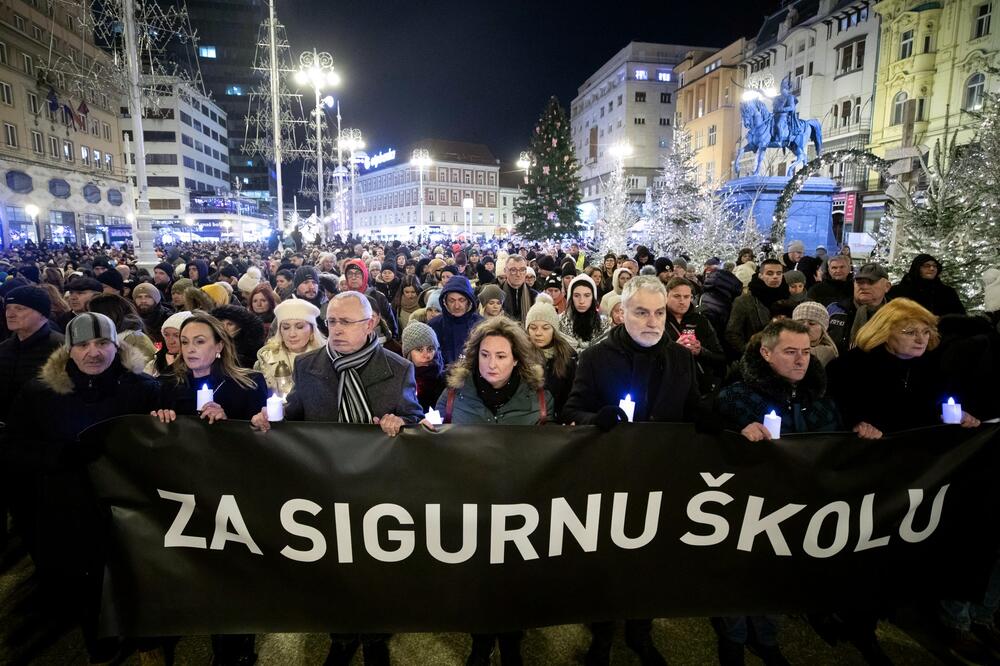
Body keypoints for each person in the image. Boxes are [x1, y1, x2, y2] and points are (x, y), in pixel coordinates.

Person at [250, 292, 422, 666]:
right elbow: (294, 411)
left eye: (346, 322)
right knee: (335, 568)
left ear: (370, 324)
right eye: (332, 322)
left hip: (377, 489)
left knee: (376, 568)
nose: (337, 330)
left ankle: (376, 636)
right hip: (324, 486)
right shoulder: (309, 365)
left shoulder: (398, 368)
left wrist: (402, 422)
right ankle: (342, 635)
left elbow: (414, 417)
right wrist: (271, 418)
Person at [5, 313, 161, 663]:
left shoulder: (142, 388)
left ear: (116, 345)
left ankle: (143, 636)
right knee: (85, 581)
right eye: (83, 344)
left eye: (103, 343)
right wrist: (62, 456)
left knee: (135, 573)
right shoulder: (40, 394)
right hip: (69, 506)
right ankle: (100, 641)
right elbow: (15, 447)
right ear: (69, 349)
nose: (94, 352)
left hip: (129, 505)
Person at [563, 276, 699, 666]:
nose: (653, 321)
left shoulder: (680, 358)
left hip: (659, 477)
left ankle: (641, 630)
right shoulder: (595, 357)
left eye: (659, 312)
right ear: (622, 313)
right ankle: (602, 632)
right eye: (642, 312)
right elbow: (572, 411)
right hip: (610, 478)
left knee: (650, 560)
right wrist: (598, 418)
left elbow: (692, 408)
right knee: (607, 559)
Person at [712, 319, 846, 666]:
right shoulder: (737, 395)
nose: (801, 360)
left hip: (797, 503)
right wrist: (734, 430)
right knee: (739, 571)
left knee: (779, 573)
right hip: (747, 506)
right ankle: (734, 636)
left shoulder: (818, 397)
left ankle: (766, 636)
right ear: (766, 353)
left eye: (805, 352)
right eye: (790, 352)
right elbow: (708, 429)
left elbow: (832, 444)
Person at [434, 316, 552, 666]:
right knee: (476, 582)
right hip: (470, 507)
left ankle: (512, 642)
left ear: (516, 358)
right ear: (475, 356)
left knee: (516, 582)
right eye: (485, 355)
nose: (492, 363)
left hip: (520, 509)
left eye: (501, 356)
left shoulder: (540, 398)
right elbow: (435, 436)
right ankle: (481, 641)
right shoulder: (453, 394)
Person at [828, 297, 980, 437]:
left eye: (926, 332)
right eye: (910, 332)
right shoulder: (850, 366)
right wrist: (855, 424)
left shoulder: (933, 365)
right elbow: (837, 414)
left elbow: (939, 406)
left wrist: (959, 416)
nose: (921, 340)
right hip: (871, 456)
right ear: (884, 332)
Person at [663, 278, 725, 394]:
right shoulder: (658, 320)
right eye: (677, 296)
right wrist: (674, 349)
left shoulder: (701, 321)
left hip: (699, 386)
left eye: (687, 297)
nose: (682, 301)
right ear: (666, 296)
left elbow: (720, 357)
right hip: (668, 385)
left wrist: (700, 351)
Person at [254, 299, 325, 393]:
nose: (292, 334)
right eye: (286, 327)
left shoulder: (326, 358)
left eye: (299, 327)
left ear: (312, 330)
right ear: (280, 331)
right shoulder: (265, 359)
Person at [525, 297, 577, 422]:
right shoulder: (519, 356)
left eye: (545, 328)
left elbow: (572, 396)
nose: (538, 333)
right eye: (533, 327)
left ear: (554, 330)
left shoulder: (567, 358)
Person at [726, 260, 788, 359]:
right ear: (760, 275)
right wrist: (751, 354)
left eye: (779, 273)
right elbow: (733, 333)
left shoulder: (788, 297)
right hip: (757, 357)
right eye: (770, 273)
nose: (775, 276)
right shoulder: (744, 301)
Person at [827, 263, 891, 355]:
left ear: (887, 286)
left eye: (871, 282)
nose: (864, 286)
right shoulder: (834, 310)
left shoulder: (896, 315)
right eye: (859, 282)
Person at [887, 253, 966, 316]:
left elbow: (960, 318)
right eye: (927, 266)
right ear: (917, 268)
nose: (932, 269)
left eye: (934, 266)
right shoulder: (899, 291)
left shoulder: (947, 292)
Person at [430, 275, 483, 366]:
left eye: (461, 300)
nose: (457, 306)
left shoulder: (482, 325)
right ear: (445, 302)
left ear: (469, 301)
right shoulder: (434, 326)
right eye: (452, 300)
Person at [343, 259, 399, 340]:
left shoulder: (378, 297)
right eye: (350, 274)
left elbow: (392, 326)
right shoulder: (342, 300)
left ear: (364, 275)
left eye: (357, 274)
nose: (353, 277)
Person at [401, 321, 446, 412]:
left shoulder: (446, 380)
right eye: (419, 349)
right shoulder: (400, 380)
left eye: (430, 349)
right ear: (408, 353)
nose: (426, 355)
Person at [559, 274, 608, 352]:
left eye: (587, 295)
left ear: (593, 297)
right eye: (576, 295)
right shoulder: (561, 322)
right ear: (571, 297)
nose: (581, 301)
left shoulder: (603, 323)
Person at [212, 305, 267, 369]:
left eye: (230, 324)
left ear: (240, 327)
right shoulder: (210, 343)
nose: (224, 328)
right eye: (221, 324)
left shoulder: (252, 350)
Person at [145, 311, 194, 376]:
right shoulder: (157, 361)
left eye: (177, 335)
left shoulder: (196, 365)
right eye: (166, 335)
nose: (170, 341)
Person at [791, 301, 838, 367]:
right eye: (800, 322)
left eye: (812, 323)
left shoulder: (826, 352)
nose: (805, 326)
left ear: (823, 330)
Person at [500, 255, 537, 323]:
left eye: (522, 270)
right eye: (513, 270)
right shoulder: (497, 295)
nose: (518, 274)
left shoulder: (535, 296)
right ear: (505, 271)